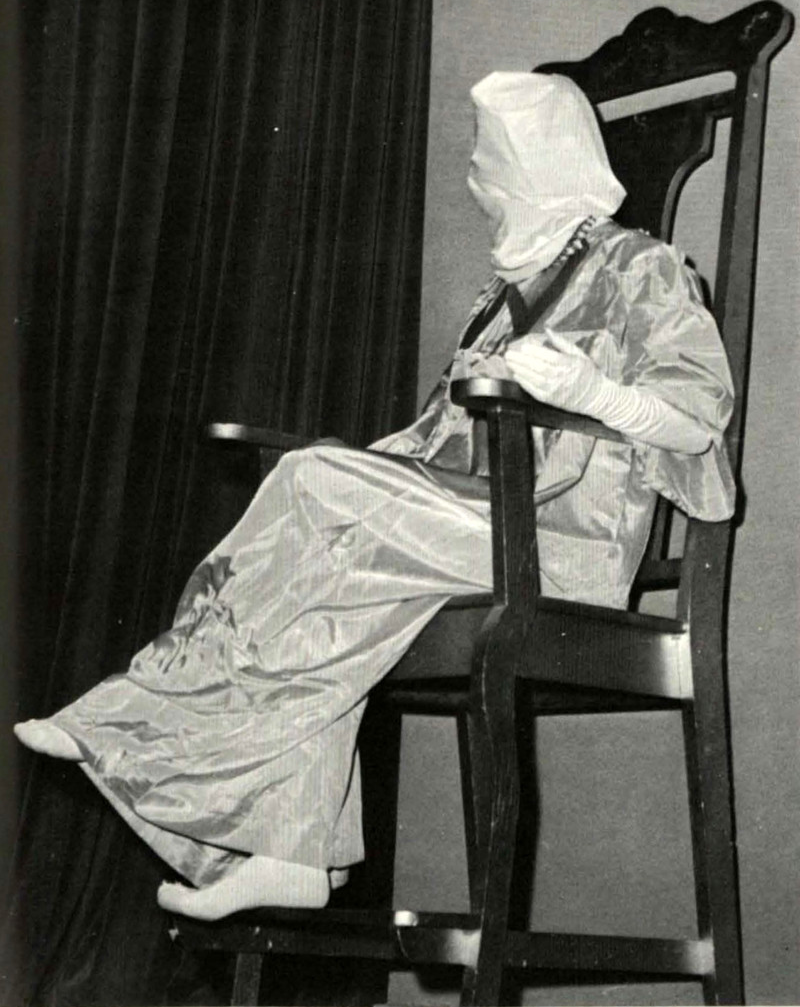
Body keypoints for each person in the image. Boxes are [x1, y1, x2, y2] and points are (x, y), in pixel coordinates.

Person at [14, 71, 736, 921]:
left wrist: (590, 390)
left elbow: (697, 419)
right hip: (468, 526)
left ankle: (141, 719)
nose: (480, 189)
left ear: (540, 169)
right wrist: (357, 475)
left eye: (493, 172)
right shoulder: (498, 302)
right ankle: (290, 849)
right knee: (323, 548)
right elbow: (435, 441)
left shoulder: (642, 267)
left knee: (313, 487)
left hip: (558, 552)